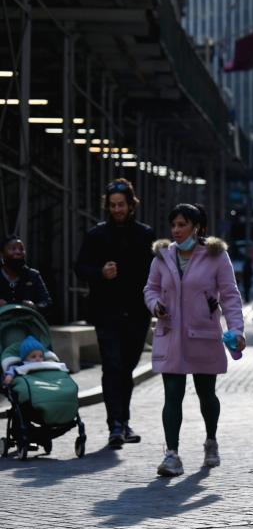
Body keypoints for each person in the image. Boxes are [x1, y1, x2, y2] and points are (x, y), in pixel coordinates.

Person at [144, 204, 245, 477]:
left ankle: (211, 440)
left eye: (182, 225)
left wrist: (236, 330)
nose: (176, 231)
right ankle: (171, 455)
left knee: (206, 393)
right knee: (172, 394)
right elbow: (150, 288)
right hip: (170, 334)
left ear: (197, 227)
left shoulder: (216, 256)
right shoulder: (162, 257)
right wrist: (154, 305)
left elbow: (230, 295)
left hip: (203, 334)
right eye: (173, 225)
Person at [75, 179, 156, 449]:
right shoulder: (96, 235)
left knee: (127, 369)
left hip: (136, 312)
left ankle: (124, 421)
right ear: (107, 207)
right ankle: (116, 426)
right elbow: (80, 267)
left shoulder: (145, 234)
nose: (117, 209)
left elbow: (155, 272)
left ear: (131, 204)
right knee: (112, 366)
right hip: (105, 310)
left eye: (121, 205)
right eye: (112, 205)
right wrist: (100, 272)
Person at [0, 235, 52, 316]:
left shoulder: (33, 275)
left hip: (26, 325)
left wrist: (35, 306)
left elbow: (46, 302)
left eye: (21, 249)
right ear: (2, 255)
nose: (18, 252)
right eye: (13, 249)